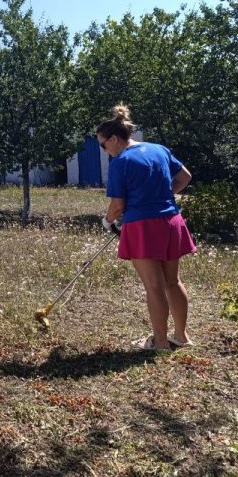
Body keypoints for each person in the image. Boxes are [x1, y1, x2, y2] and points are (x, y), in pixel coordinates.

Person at [96, 105, 196, 351]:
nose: (105, 150)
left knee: (154, 286)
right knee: (173, 281)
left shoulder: (120, 162)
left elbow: (118, 205)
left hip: (143, 226)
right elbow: (185, 177)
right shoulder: (158, 149)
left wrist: (107, 221)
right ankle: (181, 336)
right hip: (171, 220)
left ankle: (160, 343)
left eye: (103, 145)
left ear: (114, 139)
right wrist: (162, 195)